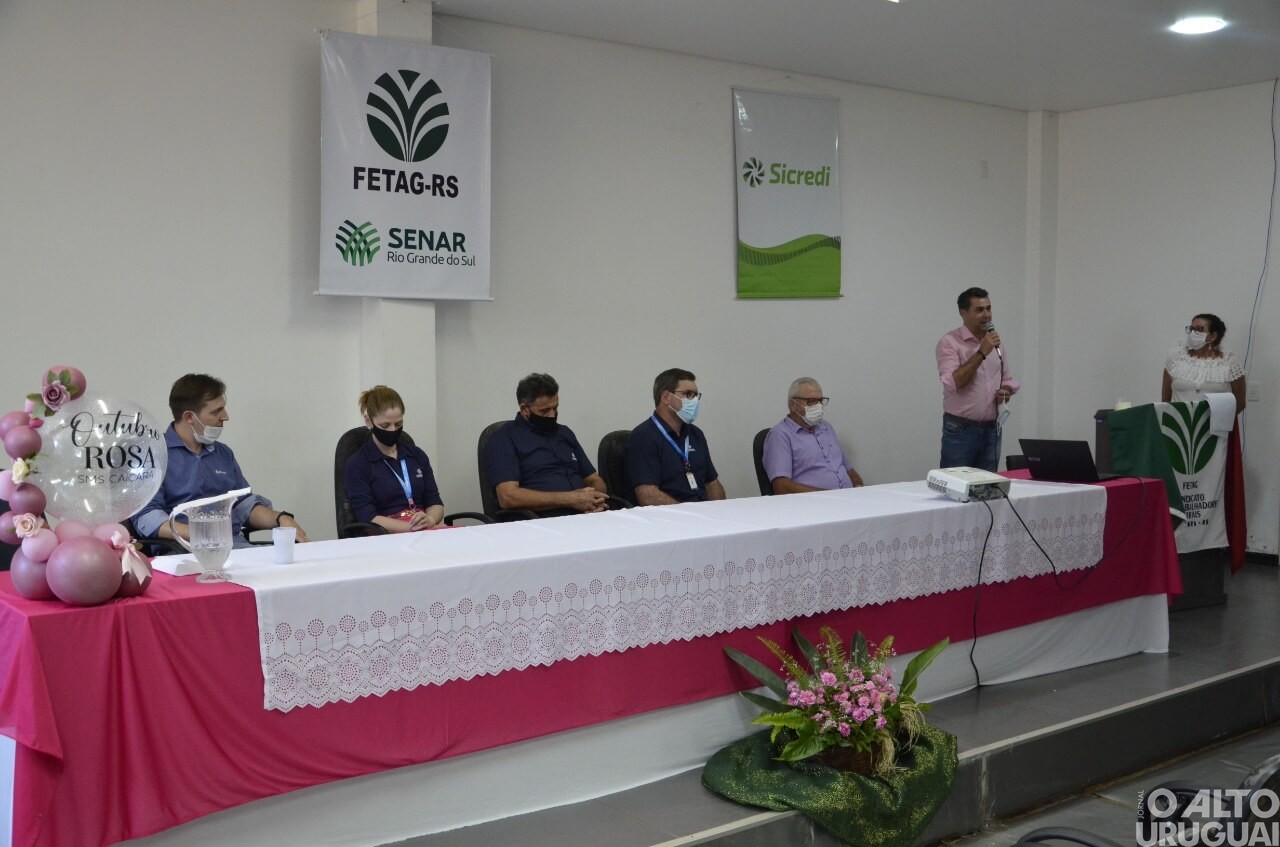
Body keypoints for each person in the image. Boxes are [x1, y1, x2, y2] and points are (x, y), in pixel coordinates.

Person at [134, 374, 309, 546]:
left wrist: (281, 518)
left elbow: (243, 505)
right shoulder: (152, 455)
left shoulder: (223, 453)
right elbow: (147, 517)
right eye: (216, 411)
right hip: (183, 550)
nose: (225, 416)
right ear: (189, 417)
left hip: (233, 547)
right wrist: (202, 534)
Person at [483, 373, 608, 516]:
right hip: (541, 519)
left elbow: (593, 479)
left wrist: (595, 499)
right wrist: (571, 499)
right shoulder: (504, 438)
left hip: (587, 514)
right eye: (544, 411)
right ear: (524, 409)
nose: (552, 415)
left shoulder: (565, 433)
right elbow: (508, 497)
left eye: (555, 408)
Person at [935, 287, 1020, 472]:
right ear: (963, 313)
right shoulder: (949, 342)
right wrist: (982, 352)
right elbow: (954, 382)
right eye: (979, 310)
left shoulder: (996, 343)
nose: (987, 315)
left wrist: (1005, 392)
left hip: (992, 429)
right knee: (956, 484)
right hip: (960, 430)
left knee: (987, 486)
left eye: (988, 308)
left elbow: (1006, 378)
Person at [343, 385, 445, 532]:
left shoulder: (417, 455)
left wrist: (430, 520)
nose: (393, 430)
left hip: (424, 529)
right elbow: (368, 517)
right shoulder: (357, 464)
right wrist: (412, 528)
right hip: (386, 535)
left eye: (398, 424)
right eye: (385, 425)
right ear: (369, 421)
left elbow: (434, 502)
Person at [627, 368, 726, 505]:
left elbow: (711, 483)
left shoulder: (696, 434)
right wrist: (690, 513)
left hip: (704, 513)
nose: (694, 401)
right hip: (671, 515)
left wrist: (719, 509)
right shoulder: (644, 437)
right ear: (666, 397)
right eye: (688, 394)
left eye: (696, 396)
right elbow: (648, 496)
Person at [762, 377, 864, 493]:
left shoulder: (826, 427)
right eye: (811, 401)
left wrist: (859, 488)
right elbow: (781, 487)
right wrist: (830, 497)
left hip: (848, 498)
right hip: (814, 502)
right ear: (793, 405)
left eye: (820, 401)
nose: (818, 406)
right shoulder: (780, 435)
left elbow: (848, 469)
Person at [1162, 313, 1247, 413]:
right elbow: (1165, 401)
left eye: (1199, 329)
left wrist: (1219, 419)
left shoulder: (1230, 363)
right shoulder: (1175, 360)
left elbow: (1239, 403)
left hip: (1215, 422)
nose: (1193, 333)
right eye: (1191, 329)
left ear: (1213, 336)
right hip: (1178, 421)